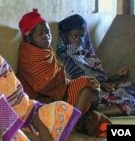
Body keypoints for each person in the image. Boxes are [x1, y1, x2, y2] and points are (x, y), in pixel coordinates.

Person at [0, 5, 82, 141]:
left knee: (61, 109)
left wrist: (43, 130)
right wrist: (32, 137)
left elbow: (23, 100)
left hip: (26, 115)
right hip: (0, 127)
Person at [16, 9, 112, 137]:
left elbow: (61, 78)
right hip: (42, 101)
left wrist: (70, 85)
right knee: (93, 116)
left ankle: (73, 120)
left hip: (61, 93)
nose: (46, 36)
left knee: (89, 84)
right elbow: (43, 87)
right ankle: (72, 124)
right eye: (40, 33)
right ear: (28, 37)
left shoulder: (47, 51)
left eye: (48, 32)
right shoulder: (28, 54)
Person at [56, 14, 135, 116]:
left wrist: (114, 75)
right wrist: (101, 85)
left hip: (102, 88)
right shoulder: (64, 60)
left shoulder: (85, 53)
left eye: (82, 37)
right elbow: (73, 85)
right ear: (64, 36)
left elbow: (97, 76)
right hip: (88, 96)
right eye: (74, 36)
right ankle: (91, 115)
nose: (79, 40)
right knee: (131, 104)